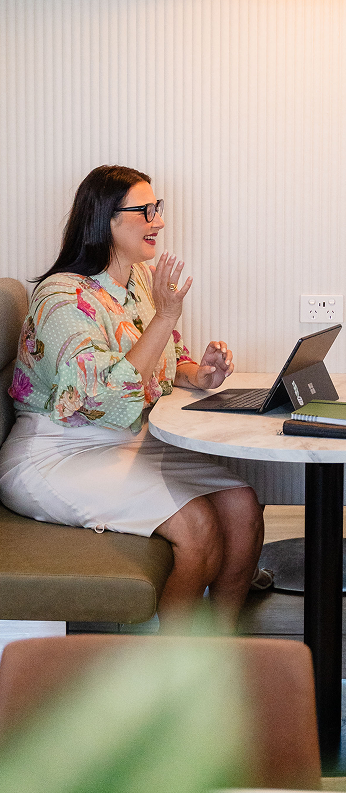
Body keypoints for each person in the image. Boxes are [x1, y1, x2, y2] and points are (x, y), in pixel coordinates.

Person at [0, 165, 265, 630]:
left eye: (156, 208)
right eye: (145, 211)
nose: (158, 221)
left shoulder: (137, 283)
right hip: (54, 453)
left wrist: (197, 374)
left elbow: (161, 360)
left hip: (121, 441)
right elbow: (106, 396)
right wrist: (166, 315)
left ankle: (219, 648)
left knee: (242, 504)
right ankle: (172, 674)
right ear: (105, 221)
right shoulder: (61, 298)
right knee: (197, 525)